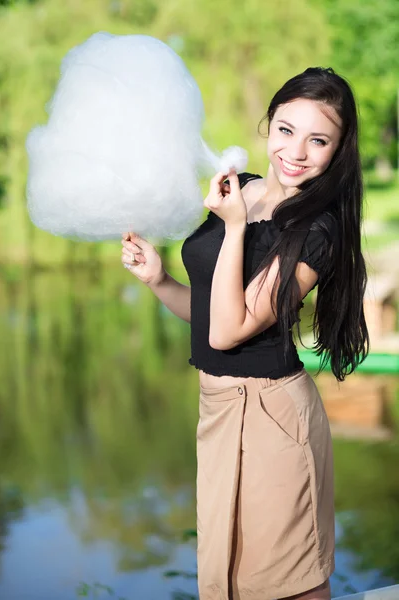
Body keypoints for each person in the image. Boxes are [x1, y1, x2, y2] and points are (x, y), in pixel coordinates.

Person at [121, 67, 369, 600]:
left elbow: (231, 331)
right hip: (218, 410)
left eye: (318, 140)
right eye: (286, 129)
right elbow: (212, 316)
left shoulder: (317, 229)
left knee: (288, 580)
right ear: (267, 125)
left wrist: (234, 227)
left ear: (339, 149)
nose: (296, 151)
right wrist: (160, 280)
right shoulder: (247, 188)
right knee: (228, 579)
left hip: (273, 417)